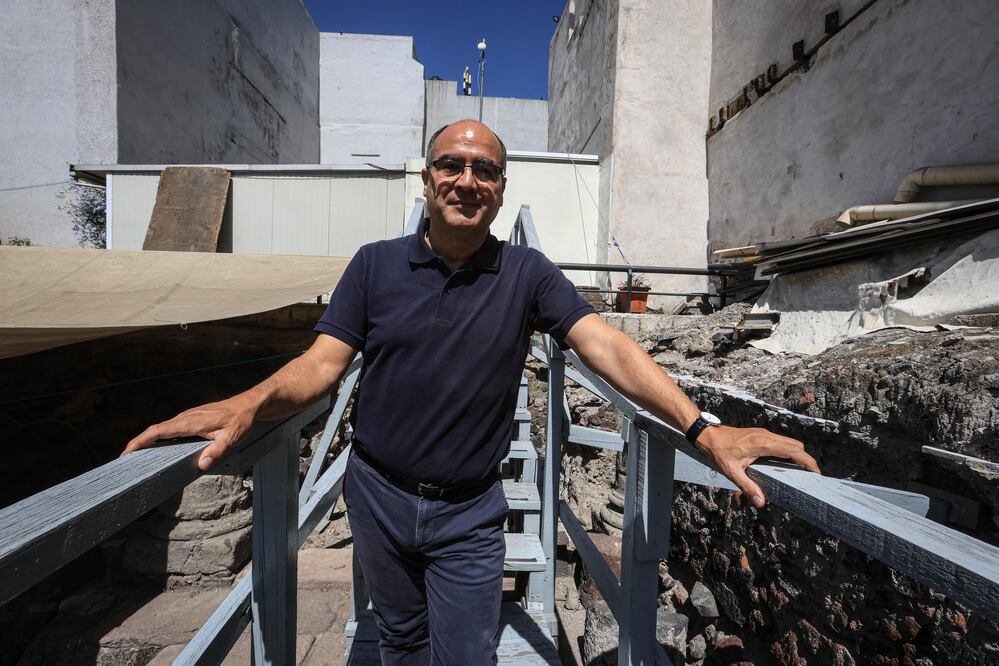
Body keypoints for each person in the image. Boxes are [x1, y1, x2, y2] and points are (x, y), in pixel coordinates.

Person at [122, 119, 819, 665]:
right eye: (451, 165)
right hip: (379, 495)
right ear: (427, 178)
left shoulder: (526, 273)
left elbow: (605, 345)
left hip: (469, 512)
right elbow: (321, 366)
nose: (466, 180)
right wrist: (246, 404)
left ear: (501, 189)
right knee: (400, 640)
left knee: (465, 654)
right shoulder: (374, 266)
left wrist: (704, 430)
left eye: (484, 169)